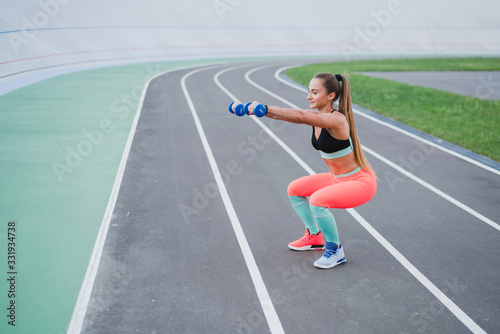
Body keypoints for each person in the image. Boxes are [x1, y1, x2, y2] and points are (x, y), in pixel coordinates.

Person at [233, 73, 377, 269]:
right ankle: (314, 236)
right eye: (308, 91)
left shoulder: (337, 120)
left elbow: (300, 117)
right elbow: (288, 114)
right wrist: (259, 110)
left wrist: (264, 108)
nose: (309, 96)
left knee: (317, 200)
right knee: (295, 189)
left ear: (331, 96)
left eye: (314, 92)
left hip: (359, 183)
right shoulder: (317, 116)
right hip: (338, 179)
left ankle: (335, 250)